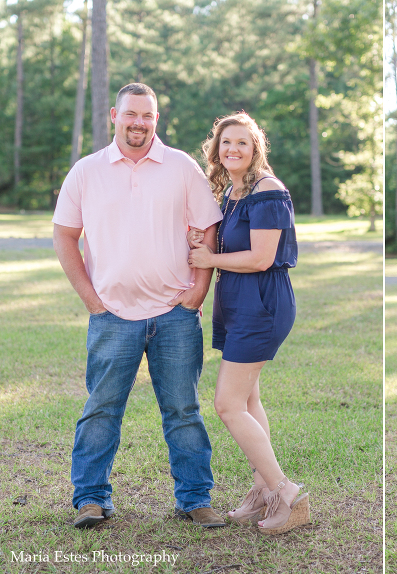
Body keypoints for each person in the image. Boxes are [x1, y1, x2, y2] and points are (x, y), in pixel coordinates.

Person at [52, 83, 226, 529]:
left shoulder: (181, 167)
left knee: (184, 411)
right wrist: (91, 299)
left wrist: (198, 291)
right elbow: (65, 235)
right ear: (114, 115)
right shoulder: (86, 172)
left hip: (174, 315)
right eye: (131, 114)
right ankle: (90, 498)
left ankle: (194, 498)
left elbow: (207, 228)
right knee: (101, 409)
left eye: (147, 116)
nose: (138, 123)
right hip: (111, 315)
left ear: (156, 119)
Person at [186, 112, 308, 534]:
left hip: (262, 302)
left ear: (256, 148)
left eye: (242, 142)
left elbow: (261, 257)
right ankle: (260, 491)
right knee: (250, 400)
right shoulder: (231, 193)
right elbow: (228, 242)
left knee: (227, 404)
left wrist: (210, 259)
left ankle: (284, 491)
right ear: (216, 150)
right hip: (236, 301)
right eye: (226, 143)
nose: (233, 149)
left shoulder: (267, 190)